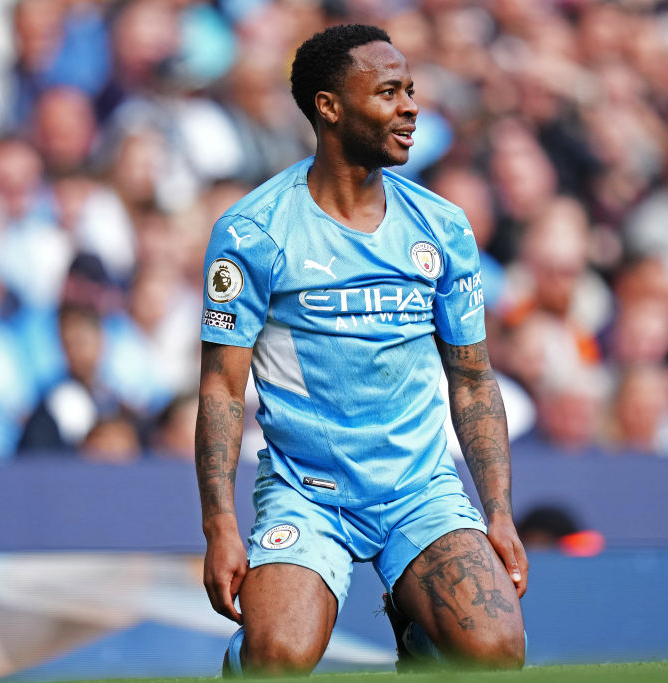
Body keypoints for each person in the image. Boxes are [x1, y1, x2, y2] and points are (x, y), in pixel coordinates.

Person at [194, 24, 526, 676]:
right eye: (388, 92)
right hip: (306, 492)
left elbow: (472, 379)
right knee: (276, 660)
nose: (411, 108)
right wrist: (219, 525)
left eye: (411, 90)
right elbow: (221, 387)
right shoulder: (254, 231)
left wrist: (498, 512)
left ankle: (420, 637)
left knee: (496, 652)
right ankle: (243, 659)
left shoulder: (442, 227)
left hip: (420, 489)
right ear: (329, 106)